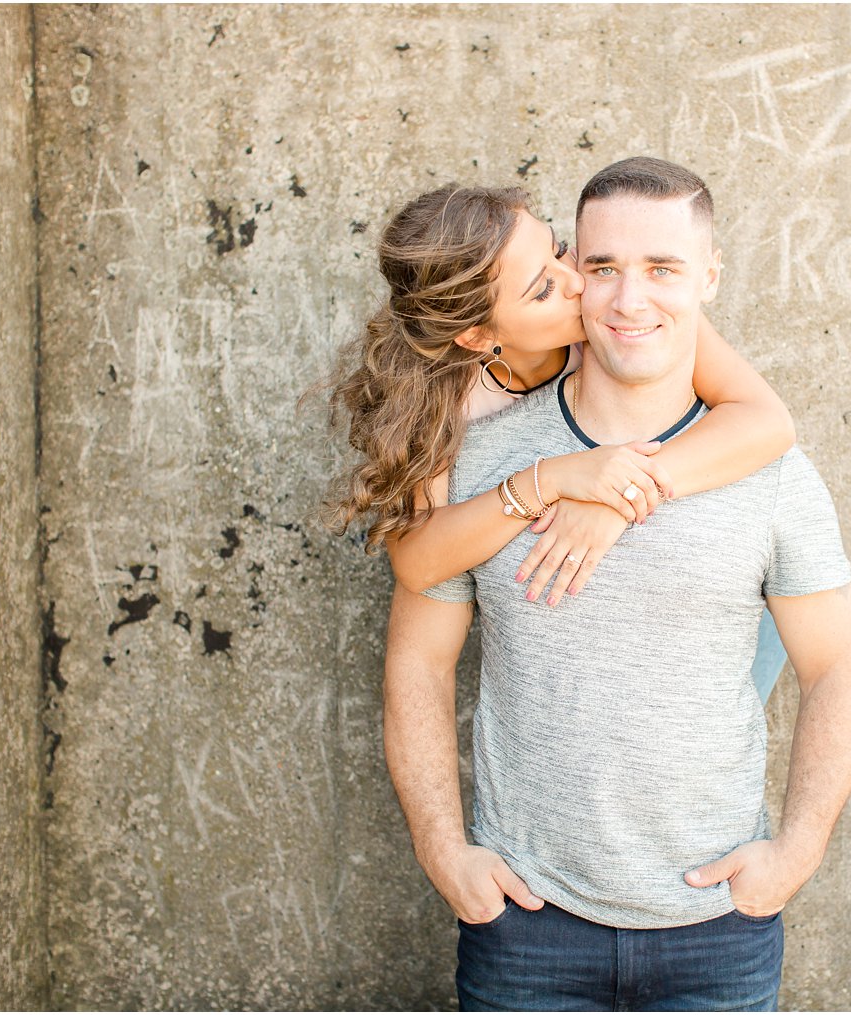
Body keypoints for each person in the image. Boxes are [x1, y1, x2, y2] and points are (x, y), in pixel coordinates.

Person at [384, 157, 851, 1011]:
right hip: (527, 927)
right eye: (593, 269)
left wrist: (794, 852)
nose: (612, 296)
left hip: (717, 924)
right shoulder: (467, 445)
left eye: (662, 269)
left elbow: (835, 666)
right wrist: (442, 849)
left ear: (709, 275)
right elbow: (418, 627)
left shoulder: (766, 464)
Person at [315, 181, 794, 700]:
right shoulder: (446, 401)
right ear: (477, 336)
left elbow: (768, 421)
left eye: (558, 248)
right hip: (571, 630)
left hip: (724, 609)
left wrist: (617, 500)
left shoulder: (621, 317)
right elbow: (418, 561)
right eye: (542, 288)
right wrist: (552, 480)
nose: (577, 282)